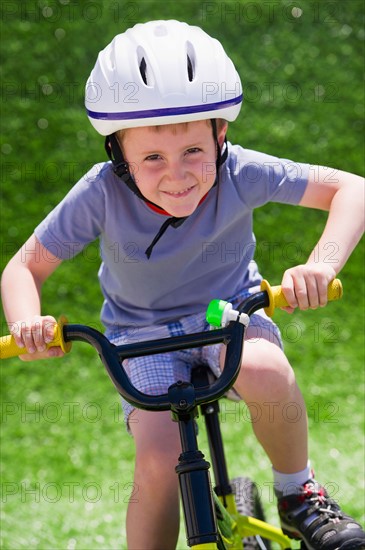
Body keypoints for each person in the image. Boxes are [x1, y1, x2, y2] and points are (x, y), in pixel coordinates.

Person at [1, 20, 364, 550]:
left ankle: (296, 495)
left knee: (265, 370)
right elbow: (23, 269)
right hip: (139, 334)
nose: (178, 175)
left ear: (221, 134)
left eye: (193, 150)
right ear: (117, 154)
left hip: (228, 312)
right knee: (157, 455)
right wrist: (27, 323)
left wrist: (322, 264)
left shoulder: (241, 170)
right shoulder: (100, 193)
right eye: (152, 158)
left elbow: (350, 190)